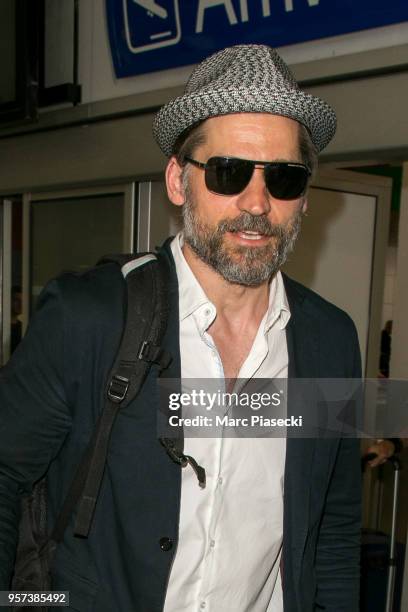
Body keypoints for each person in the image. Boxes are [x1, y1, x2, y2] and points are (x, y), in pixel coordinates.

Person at [0, 45, 362, 611]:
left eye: (285, 178)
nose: (257, 202)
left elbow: (333, 527)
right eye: (228, 172)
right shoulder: (91, 317)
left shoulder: (330, 341)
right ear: (178, 180)